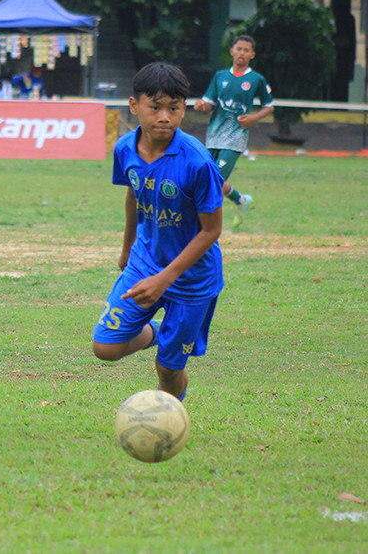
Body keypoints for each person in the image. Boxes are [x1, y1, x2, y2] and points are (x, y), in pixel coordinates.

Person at [92, 62, 224, 401]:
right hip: (144, 263)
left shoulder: (197, 161)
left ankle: (168, 416)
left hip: (192, 280)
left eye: (174, 108)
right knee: (105, 347)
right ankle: (154, 332)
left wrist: (165, 279)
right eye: (155, 107)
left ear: (183, 109)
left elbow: (211, 231)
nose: (164, 116)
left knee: (167, 369)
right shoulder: (124, 148)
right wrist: (127, 249)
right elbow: (133, 196)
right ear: (134, 106)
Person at [194, 35, 274, 226]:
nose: (242, 53)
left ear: (252, 55)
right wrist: (201, 106)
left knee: (214, 181)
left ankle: (205, 226)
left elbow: (269, 105)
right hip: (214, 135)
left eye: (247, 50)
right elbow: (209, 103)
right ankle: (241, 200)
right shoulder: (220, 77)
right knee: (206, 176)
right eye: (239, 49)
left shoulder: (256, 79)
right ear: (232, 51)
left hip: (235, 137)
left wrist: (254, 118)